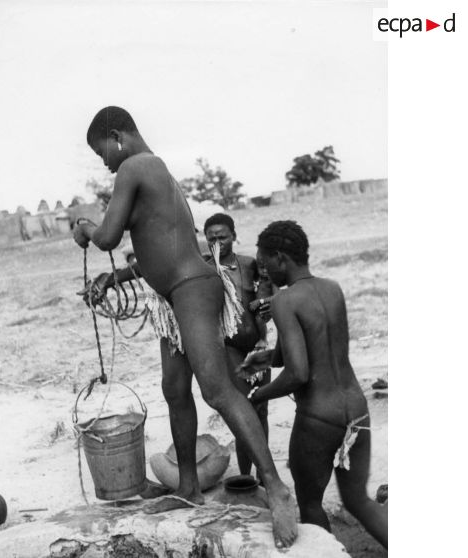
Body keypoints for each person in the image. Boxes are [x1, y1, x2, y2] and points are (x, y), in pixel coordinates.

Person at [73, 106, 297, 549]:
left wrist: (84, 226)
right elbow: (161, 244)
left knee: (217, 390)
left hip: (192, 289)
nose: (105, 163)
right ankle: (189, 488)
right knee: (175, 389)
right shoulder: (157, 174)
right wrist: (114, 278)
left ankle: (276, 488)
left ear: (116, 136)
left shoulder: (136, 166)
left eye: (103, 153)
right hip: (176, 296)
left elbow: (107, 238)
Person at [238, 220, 387, 548]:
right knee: (358, 501)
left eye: (265, 265)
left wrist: (257, 394)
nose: (264, 274)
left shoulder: (284, 301)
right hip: (356, 410)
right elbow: (317, 344)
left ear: (280, 258)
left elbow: (299, 374)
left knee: (310, 505)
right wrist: (265, 358)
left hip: (319, 418)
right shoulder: (332, 288)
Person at [202, 213, 272, 479]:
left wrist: (266, 308)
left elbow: (266, 293)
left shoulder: (249, 264)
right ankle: (246, 477)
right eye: (212, 239)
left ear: (233, 235)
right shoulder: (204, 270)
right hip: (229, 348)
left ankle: (263, 476)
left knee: (262, 407)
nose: (218, 243)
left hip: (258, 344)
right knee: (246, 409)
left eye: (223, 237)